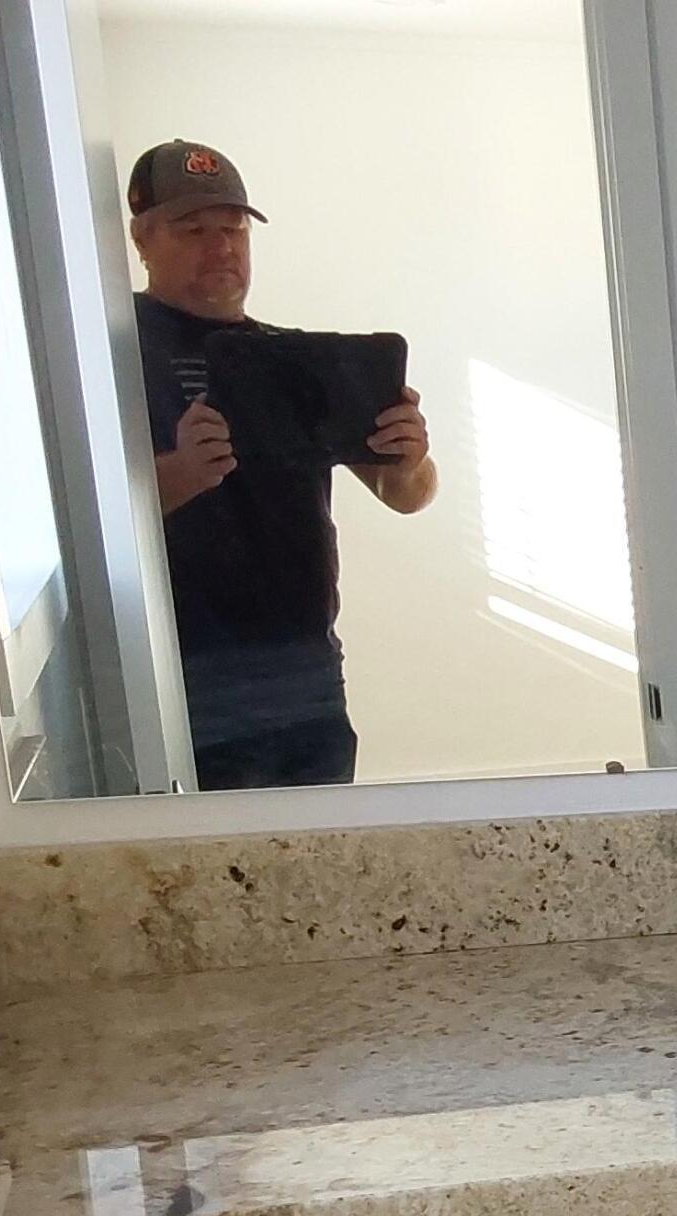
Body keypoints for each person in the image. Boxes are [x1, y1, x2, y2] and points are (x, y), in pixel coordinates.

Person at [126, 140, 436, 790]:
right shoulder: (115, 350)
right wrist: (183, 472)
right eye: (195, 231)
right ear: (143, 239)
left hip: (308, 669)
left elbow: (405, 494)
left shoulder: (287, 356)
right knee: (210, 876)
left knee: (317, 872)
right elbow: (76, 519)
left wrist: (410, 455)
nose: (223, 249)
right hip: (185, 675)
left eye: (234, 230)